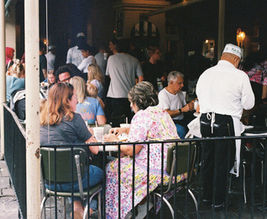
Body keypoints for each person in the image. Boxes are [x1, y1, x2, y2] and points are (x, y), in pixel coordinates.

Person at [103, 81, 184, 219]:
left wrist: (114, 141)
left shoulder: (141, 116)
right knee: (124, 165)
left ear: (137, 102)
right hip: (176, 170)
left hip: (156, 172)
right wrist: (124, 129)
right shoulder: (163, 113)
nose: (130, 105)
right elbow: (151, 129)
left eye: (131, 102)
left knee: (112, 168)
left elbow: (130, 149)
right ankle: (142, 204)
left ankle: (119, 212)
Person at [196, 43, 255, 209]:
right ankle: (219, 201)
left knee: (207, 160)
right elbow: (249, 104)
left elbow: (199, 97)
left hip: (205, 121)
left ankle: (206, 198)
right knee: (223, 161)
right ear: (236, 59)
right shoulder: (239, 75)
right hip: (226, 122)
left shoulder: (206, 74)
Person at [40, 83, 103, 219]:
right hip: (75, 181)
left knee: (73, 167)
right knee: (104, 171)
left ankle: (77, 207)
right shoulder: (75, 118)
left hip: (50, 182)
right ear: (66, 100)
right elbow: (96, 149)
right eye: (74, 97)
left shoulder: (41, 120)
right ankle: (91, 208)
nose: (77, 100)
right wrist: (91, 134)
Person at [105, 39, 143, 126]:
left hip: (114, 95)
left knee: (116, 122)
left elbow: (109, 75)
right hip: (130, 96)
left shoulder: (111, 59)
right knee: (129, 121)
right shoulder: (134, 60)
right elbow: (141, 77)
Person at [158, 71, 194, 139]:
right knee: (181, 130)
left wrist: (190, 105)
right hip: (169, 122)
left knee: (195, 127)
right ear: (171, 82)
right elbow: (166, 114)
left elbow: (184, 107)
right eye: (179, 83)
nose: (182, 85)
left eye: (182, 83)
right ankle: (182, 148)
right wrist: (182, 110)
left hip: (181, 120)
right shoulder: (163, 94)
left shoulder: (180, 93)